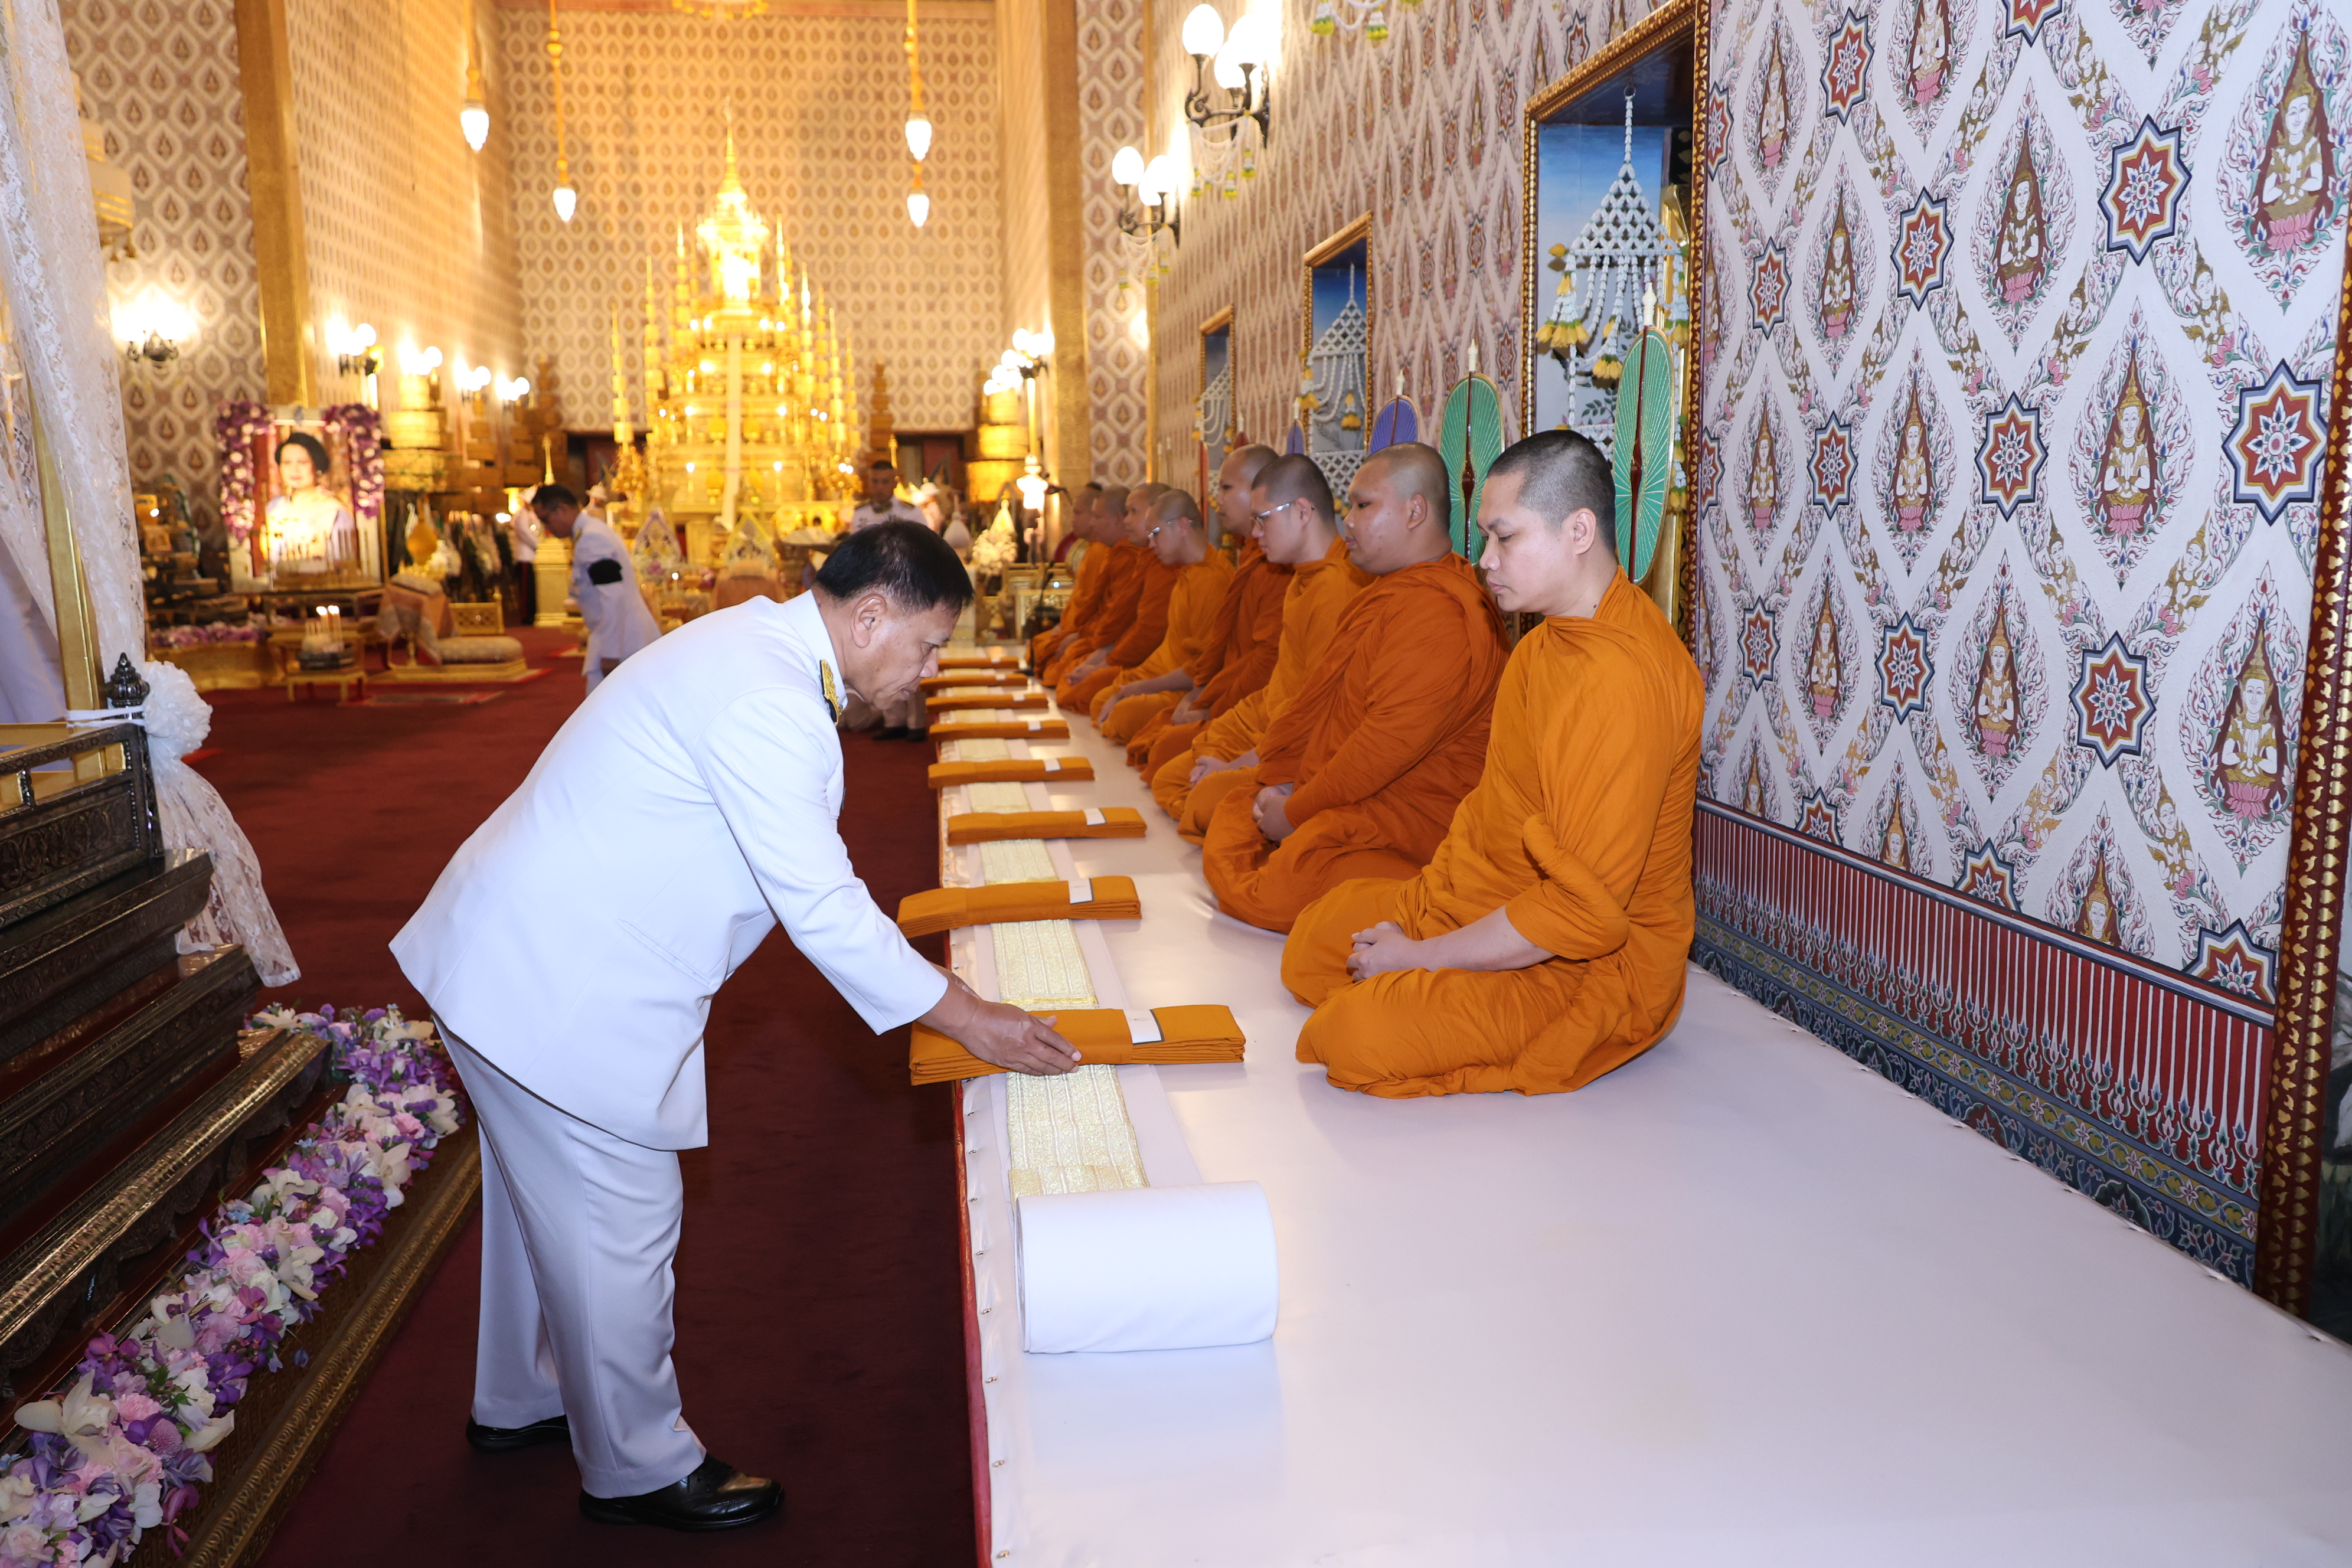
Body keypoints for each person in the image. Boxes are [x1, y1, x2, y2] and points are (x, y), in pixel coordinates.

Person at [391, 522, 1080, 1532]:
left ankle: (521, 1398)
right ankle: (635, 1465)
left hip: (508, 957)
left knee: (539, 1205)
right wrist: (967, 1014)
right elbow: (824, 907)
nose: (933, 671)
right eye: (930, 645)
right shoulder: (772, 696)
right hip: (556, 982)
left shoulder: (758, 646)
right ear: (872, 613)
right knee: (620, 1216)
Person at [1279, 428, 1704, 1097]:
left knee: (1352, 1038)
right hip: (1488, 900)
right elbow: (1491, 817)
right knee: (1312, 944)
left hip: (1584, 963)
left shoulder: (1623, 680)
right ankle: (1429, 971)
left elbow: (1582, 913)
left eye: (1506, 537)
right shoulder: (1542, 644)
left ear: (1579, 530)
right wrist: (1430, 911)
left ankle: (1438, 992)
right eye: (1485, 538)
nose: (1484, 559)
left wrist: (1420, 957)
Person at [1201, 443, 1508, 933]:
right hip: (1355, 798)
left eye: (1363, 505)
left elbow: (1384, 745)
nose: (1347, 521)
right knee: (1236, 813)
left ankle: (1411, 897)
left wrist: (1296, 810)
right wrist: (1284, 780)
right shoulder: (1387, 595)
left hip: (1413, 822)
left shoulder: (1438, 611)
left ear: (1415, 511)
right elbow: (1324, 713)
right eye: (1349, 505)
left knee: (1283, 891)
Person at [1150, 457, 1369, 842]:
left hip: (1299, 753)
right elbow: (1281, 688)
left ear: (1302, 512)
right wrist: (1225, 732)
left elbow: (1323, 716)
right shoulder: (1301, 581)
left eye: (1262, 519)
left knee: (1202, 800)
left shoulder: (1335, 590)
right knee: (1170, 774)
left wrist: (1239, 764)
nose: (1254, 533)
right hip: (1270, 727)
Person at [1114, 446, 1282, 757]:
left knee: (1158, 748)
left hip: (1258, 706)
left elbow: (1266, 662)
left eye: (1227, 488)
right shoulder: (1245, 563)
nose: (1217, 500)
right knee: (1149, 736)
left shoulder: (1233, 575)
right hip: (1221, 691)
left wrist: (1207, 700)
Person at [1088, 490, 1236, 732]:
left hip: (1187, 686)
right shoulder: (1187, 572)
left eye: (1156, 533)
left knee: (1122, 716)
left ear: (1182, 526)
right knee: (1101, 700)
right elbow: (1169, 648)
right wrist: (1134, 683)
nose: (1151, 543)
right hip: (1166, 673)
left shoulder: (1212, 579)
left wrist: (1139, 688)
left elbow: (1202, 667)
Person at [1059, 487, 1199, 714]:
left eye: (1134, 512)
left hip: (1166, 671)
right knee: (1076, 679)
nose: (1127, 521)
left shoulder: (1191, 572)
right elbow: (1115, 616)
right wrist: (1099, 657)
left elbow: (1150, 631)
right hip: (1147, 661)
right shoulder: (1142, 559)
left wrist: (1107, 664)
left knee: (1100, 701)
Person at [537, 483, 661, 692]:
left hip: (622, 643)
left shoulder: (591, 538)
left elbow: (613, 596)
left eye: (546, 520)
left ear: (562, 510)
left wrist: (610, 652)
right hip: (623, 637)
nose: (547, 528)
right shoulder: (589, 531)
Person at [1041, 485, 1162, 687]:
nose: (1091, 523)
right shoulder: (1119, 554)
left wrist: (1100, 657)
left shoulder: (1136, 559)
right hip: (1108, 641)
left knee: (1073, 680)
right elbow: (1095, 606)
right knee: (1059, 661)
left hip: (1139, 656)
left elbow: (1139, 627)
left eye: (1133, 512)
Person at [849, 459, 928, 531]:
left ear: (895, 483)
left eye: (885, 482)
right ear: (868, 483)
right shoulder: (860, 512)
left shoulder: (911, 513)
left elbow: (923, 542)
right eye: (875, 481)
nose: (880, 487)